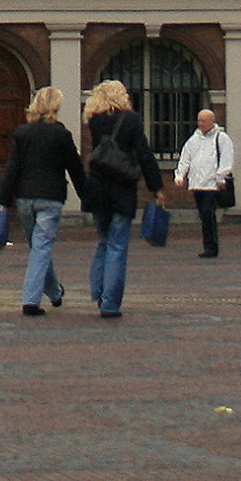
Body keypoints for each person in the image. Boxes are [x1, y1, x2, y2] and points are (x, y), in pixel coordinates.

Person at [0, 84, 87, 317]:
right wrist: (87, 198)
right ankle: (30, 301)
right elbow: (75, 168)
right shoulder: (61, 134)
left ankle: (54, 292)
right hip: (51, 198)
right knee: (41, 247)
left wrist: (4, 199)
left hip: (25, 198)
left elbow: (12, 168)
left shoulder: (22, 133)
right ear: (55, 107)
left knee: (38, 247)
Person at [83, 78, 163, 319]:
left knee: (103, 242)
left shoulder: (94, 121)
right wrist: (156, 186)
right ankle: (110, 304)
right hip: (121, 189)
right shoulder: (131, 120)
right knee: (117, 246)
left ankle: (98, 293)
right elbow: (144, 154)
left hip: (98, 189)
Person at [173, 107, 235, 259]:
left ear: (212, 121)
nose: (200, 123)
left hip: (212, 184)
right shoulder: (194, 139)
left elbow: (226, 159)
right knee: (204, 214)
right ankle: (208, 244)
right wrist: (180, 175)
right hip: (197, 183)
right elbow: (185, 159)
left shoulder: (221, 138)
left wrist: (220, 178)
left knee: (208, 213)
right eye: (199, 120)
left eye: (204, 121)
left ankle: (211, 246)